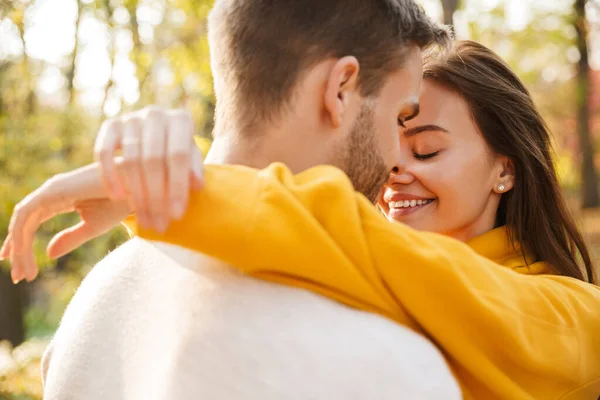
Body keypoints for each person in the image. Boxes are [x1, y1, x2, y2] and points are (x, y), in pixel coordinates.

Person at [1, 0, 462, 399]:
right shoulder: (392, 362)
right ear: (341, 89)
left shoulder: (94, 303)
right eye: (400, 115)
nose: (398, 156)